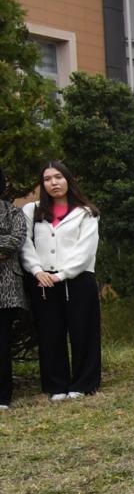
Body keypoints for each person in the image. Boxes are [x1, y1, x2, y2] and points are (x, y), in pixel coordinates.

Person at [20, 161, 101, 399]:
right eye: (47, 179)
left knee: (83, 331)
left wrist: (62, 274)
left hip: (77, 279)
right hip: (43, 280)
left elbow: (85, 250)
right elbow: (26, 244)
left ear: (68, 179)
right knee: (50, 333)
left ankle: (84, 383)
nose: (54, 183)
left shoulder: (86, 212)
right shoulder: (31, 210)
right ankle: (56, 384)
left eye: (58, 177)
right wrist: (36, 270)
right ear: (42, 184)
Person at [0, 165, 26, 409]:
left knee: (2, 343)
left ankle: (2, 396)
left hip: (5, 287)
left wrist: (5, 247)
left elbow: (15, 240)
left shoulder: (13, 213)